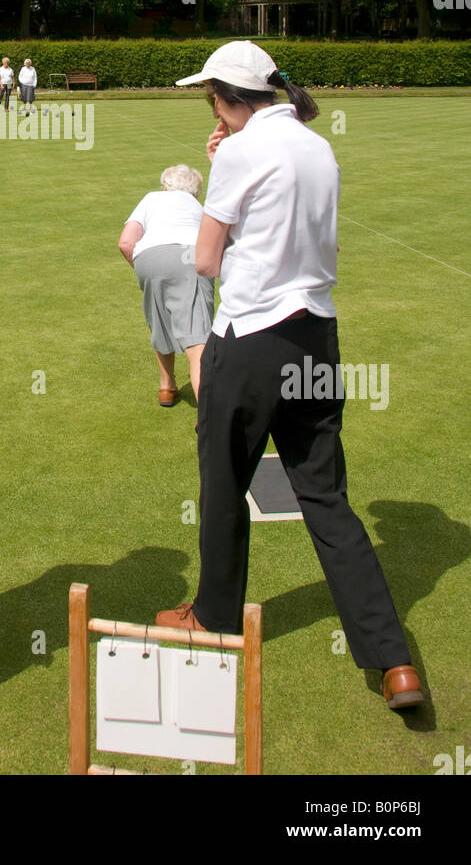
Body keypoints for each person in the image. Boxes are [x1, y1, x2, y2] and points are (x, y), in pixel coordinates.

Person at [155, 41, 424, 713]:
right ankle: (393, 662)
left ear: (223, 97)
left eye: (207, 97)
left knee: (222, 484)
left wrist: (225, 165)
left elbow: (208, 260)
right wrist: (227, 162)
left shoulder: (245, 150)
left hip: (248, 343)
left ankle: (213, 616)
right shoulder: (314, 145)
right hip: (314, 340)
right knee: (325, 498)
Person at [118, 166, 215, 404]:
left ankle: (167, 387)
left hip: (149, 258)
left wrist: (145, 271)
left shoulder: (151, 198)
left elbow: (126, 242)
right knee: (197, 338)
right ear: (195, 192)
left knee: (160, 323)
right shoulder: (200, 206)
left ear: (165, 186)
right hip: (190, 256)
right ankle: (207, 416)